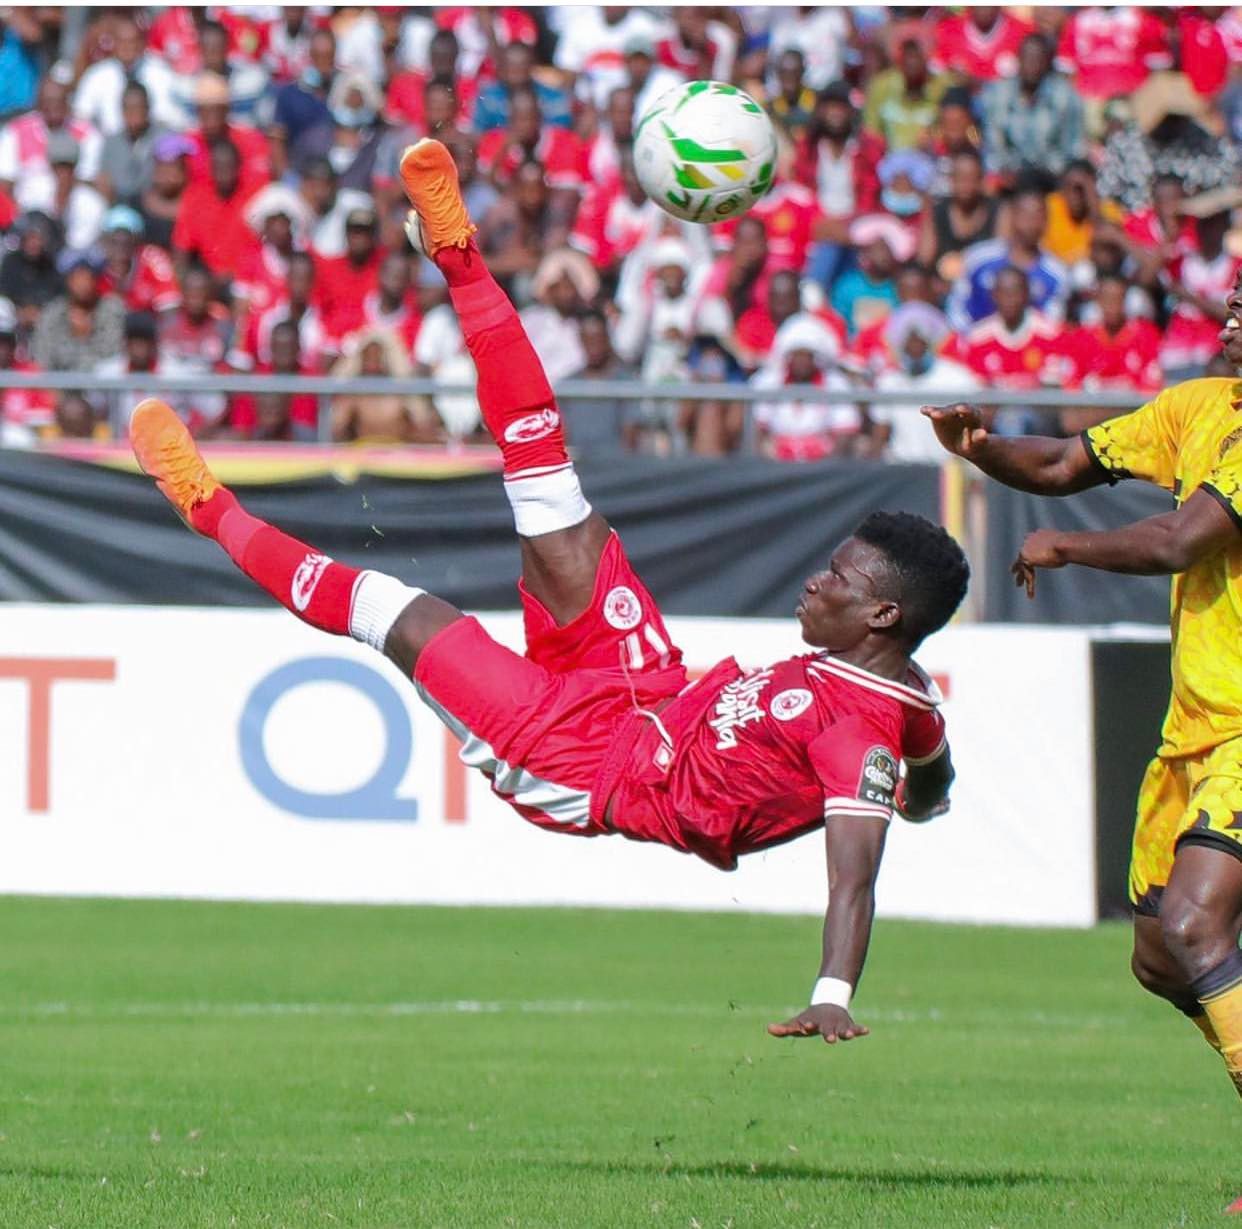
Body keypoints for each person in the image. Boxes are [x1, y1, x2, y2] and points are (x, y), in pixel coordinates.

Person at [130, 139, 969, 1044]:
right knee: (545, 476)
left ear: (884, 613)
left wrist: (834, 991)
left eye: (838, 578)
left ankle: (210, 510)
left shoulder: (856, 735)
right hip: (649, 684)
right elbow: (929, 763)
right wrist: (927, 793)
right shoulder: (905, 708)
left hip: (587, 764)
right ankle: (456, 252)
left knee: (395, 610)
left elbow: (854, 874)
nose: (816, 580)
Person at [923, 265, 1242, 1129]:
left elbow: (1181, 541)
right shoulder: (1200, 406)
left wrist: (1067, 546)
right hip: (1195, 725)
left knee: (1195, 925)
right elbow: (1070, 460)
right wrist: (981, 447)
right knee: (1160, 956)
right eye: (1234, 291)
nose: (1232, 304)